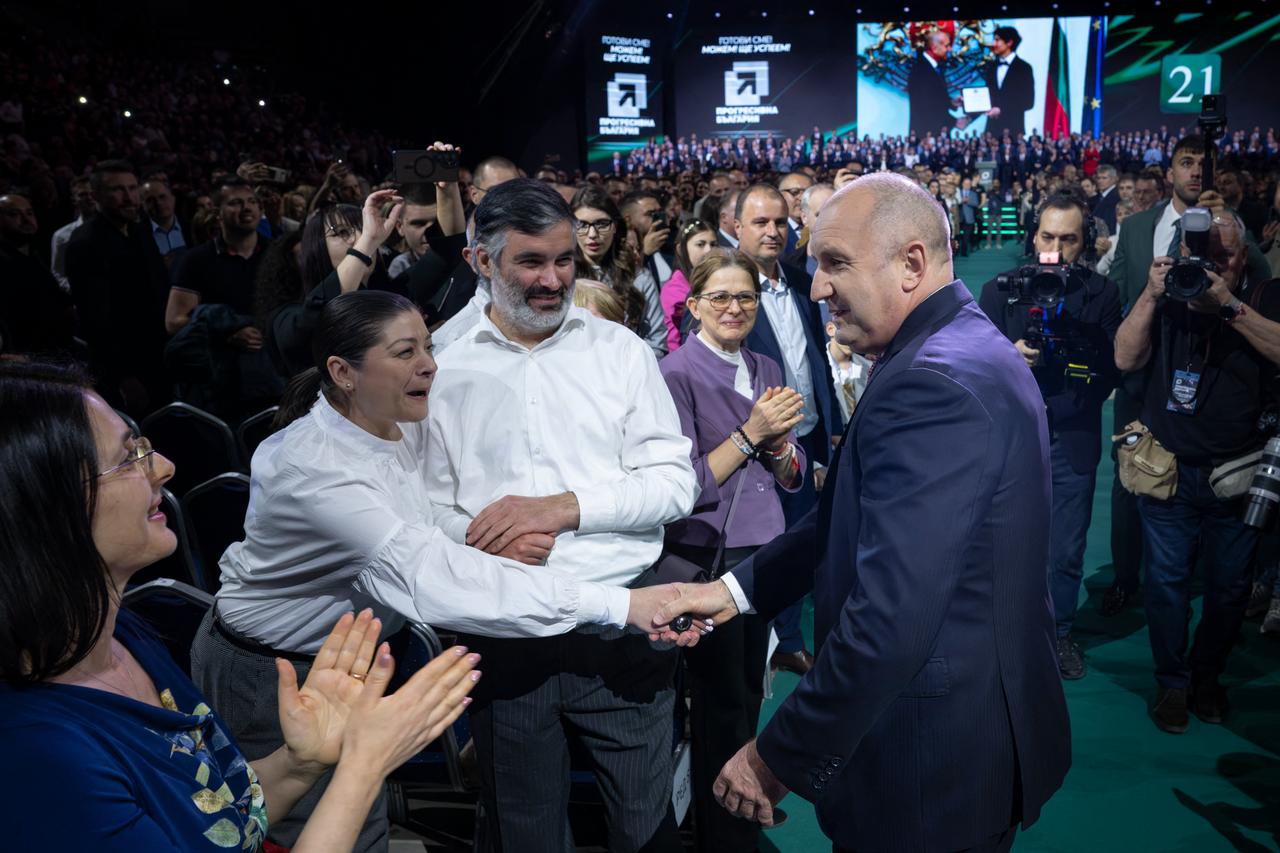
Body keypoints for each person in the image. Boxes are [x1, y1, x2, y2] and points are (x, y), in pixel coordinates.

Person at [194, 288, 701, 851]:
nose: (430, 365)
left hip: (346, 664)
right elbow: (433, 578)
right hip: (276, 675)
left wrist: (479, 534)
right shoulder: (316, 471)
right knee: (307, 834)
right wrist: (624, 605)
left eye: (429, 347)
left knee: (359, 821)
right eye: (406, 352)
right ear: (343, 372)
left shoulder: (394, 419)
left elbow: (425, 516)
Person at [652, 172, 1072, 852]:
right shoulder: (958, 347)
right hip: (957, 742)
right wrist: (733, 590)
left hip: (931, 760)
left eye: (836, 263)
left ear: (911, 262)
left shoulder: (933, 380)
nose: (816, 286)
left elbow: (892, 614)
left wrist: (774, 754)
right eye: (816, 264)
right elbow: (853, 513)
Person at [0, 359, 480, 852]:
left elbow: (213, 820)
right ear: (46, 509)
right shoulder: (38, 753)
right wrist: (364, 765)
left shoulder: (124, 637)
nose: (162, 467)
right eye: (128, 458)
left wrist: (302, 761)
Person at [424, 179, 700, 853]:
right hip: (504, 635)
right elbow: (420, 507)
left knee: (649, 832)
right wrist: (478, 537)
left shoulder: (622, 352)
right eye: (530, 262)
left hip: (623, 633)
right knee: (524, 836)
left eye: (564, 259)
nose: (553, 279)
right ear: (480, 261)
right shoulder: (435, 366)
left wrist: (564, 508)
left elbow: (674, 484)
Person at [1113, 209, 1280, 733]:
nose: (1214, 266)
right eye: (1205, 256)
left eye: (1225, 256)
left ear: (1245, 256)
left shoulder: (1263, 296)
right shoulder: (1171, 297)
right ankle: (1173, 682)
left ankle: (1208, 676)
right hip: (1170, 471)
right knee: (1165, 584)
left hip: (1239, 474)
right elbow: (1124, 358)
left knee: (1230, 589)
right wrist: (1149, 293)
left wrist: (1227, 306)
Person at [660, 249, 805, 853]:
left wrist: (776, 448)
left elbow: (790, 473)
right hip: (704, 557)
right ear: (693, 306)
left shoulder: (766, 362)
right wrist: (754, 433)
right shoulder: (675, 373)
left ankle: (740, 806)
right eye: (718, 297)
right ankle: (723, 833)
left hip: (762, 549)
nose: (734, 307)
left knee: (750, 690)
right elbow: (683, 485)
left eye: (745, 297)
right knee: (718, 704)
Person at [1105, 136, 1272, 616]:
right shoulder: (1139, 227)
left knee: (1207, 487)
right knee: (1127, 487)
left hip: (1215, 371)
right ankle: (1123, 578)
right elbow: (1119, 293)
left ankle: (1196, 577)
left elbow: (1256, 278)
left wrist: (1232, 234)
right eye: (1186, 162)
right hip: (1143, 377)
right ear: (1170, 172)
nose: (1196, 172)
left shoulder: (1234, 226)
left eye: (1204, 163)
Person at [979, 194, 1122, 679]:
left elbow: (1109, 373)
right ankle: (1006, 632)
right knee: (1005, 543)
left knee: (1065, 549)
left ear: (1085, 243)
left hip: (1072, 435)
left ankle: (1058, 633)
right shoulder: (1001, 291)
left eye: (1068, 239)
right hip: (1011, 439)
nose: (1055, 249)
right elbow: (973, 366)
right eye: (1047, 237)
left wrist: (1068, 357)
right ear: (1032, 235)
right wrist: (1007, 357)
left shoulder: (1101, 294)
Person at [734, 182, 840, 675]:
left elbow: (818, 360)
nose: (774, 232)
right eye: (761, 222)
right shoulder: (727, 290)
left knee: (803, 543)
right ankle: (764, 641)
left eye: (780, 222)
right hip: (755, 446)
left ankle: (790, 639)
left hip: (809, 434)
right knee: (764, 549)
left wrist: (832, 426)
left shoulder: (801, 281)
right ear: (736, 228)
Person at [65, 159, 171, 415]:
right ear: (96, 196)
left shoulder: (139, 230)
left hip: (160, 354)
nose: (129, 197)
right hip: (127, 366)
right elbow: (96, 320)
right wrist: (124, 376)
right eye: (118, 190)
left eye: (133, 188)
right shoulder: (85, 243)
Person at [262, 189, 403, 378]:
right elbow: (323, 311)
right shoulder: (285, 317)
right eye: (342, 232)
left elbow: (444, 253)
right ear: (316, 250)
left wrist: (446, 188)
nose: (358, 238)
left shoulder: (394, 297)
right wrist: (368, 240)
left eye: (364, 229)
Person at [570, 184, 668, 357]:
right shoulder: (561, 276)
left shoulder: (639, 277)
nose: (592, 234)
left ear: (615, 226)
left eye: (601, 224)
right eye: (582, 224)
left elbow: (658, 342)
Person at [0, 193, 76, 356]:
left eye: (29, 213)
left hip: (56, 348)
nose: (26, 219)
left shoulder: (34, 253)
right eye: (14, 214)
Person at [660, 218, 718, 352]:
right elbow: (672, 340)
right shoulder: (674, 290)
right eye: (700, 244)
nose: (709, 250)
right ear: (681, 249)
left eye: (713, 244)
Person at [907, 23, 968, 139]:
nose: (950, 49)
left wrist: (952, 102)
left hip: (936, 134)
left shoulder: (934, 67)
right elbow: (925, 106)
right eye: (947, 45)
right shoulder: (920, 70)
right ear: (934, 48)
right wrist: (954, 121)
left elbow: (934, 98)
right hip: (926, 136)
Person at [981, 26, 1034, 140]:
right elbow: (987, 97)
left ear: (1009, 42)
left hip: (1014, 131)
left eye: (997, 40)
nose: (994, 43)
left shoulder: (1024, 68)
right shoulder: (991, 66)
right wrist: (970, 103)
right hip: (991, 131)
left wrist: (1001, 109)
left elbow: (1028, 102)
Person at [50, 175, 96, 290]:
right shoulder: (62, 235)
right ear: (74, 199)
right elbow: (58, 273)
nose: (89, 198)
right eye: (83, 194)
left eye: (92, 193)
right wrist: (78, 291)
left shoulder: (116, 227)